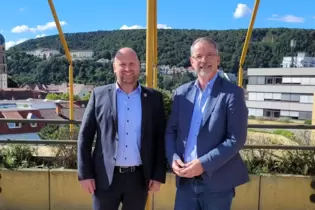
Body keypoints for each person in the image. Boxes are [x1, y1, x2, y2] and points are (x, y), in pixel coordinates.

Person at [77, 47, 166, 210]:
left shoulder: (154, 98)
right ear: (114, 67)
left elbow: (160, 139)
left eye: (132, 63)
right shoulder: (99, 95)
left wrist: (158, 175)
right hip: (104, 178)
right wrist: (85, 174)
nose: (127, 68)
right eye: (122, 64)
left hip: (139, 179)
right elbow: (85, 137)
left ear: (139, 66)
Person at [165, 37, 249, 210]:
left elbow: (236, 139)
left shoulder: (233, 93)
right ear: (192, 62)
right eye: (199, 56)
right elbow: (171, 131)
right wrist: (173, 158)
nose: (204, 60)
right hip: (185, 184)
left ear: (218, 59)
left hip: (217, 185)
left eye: (210, 55)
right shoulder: (181, 93)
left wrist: (203, 164)